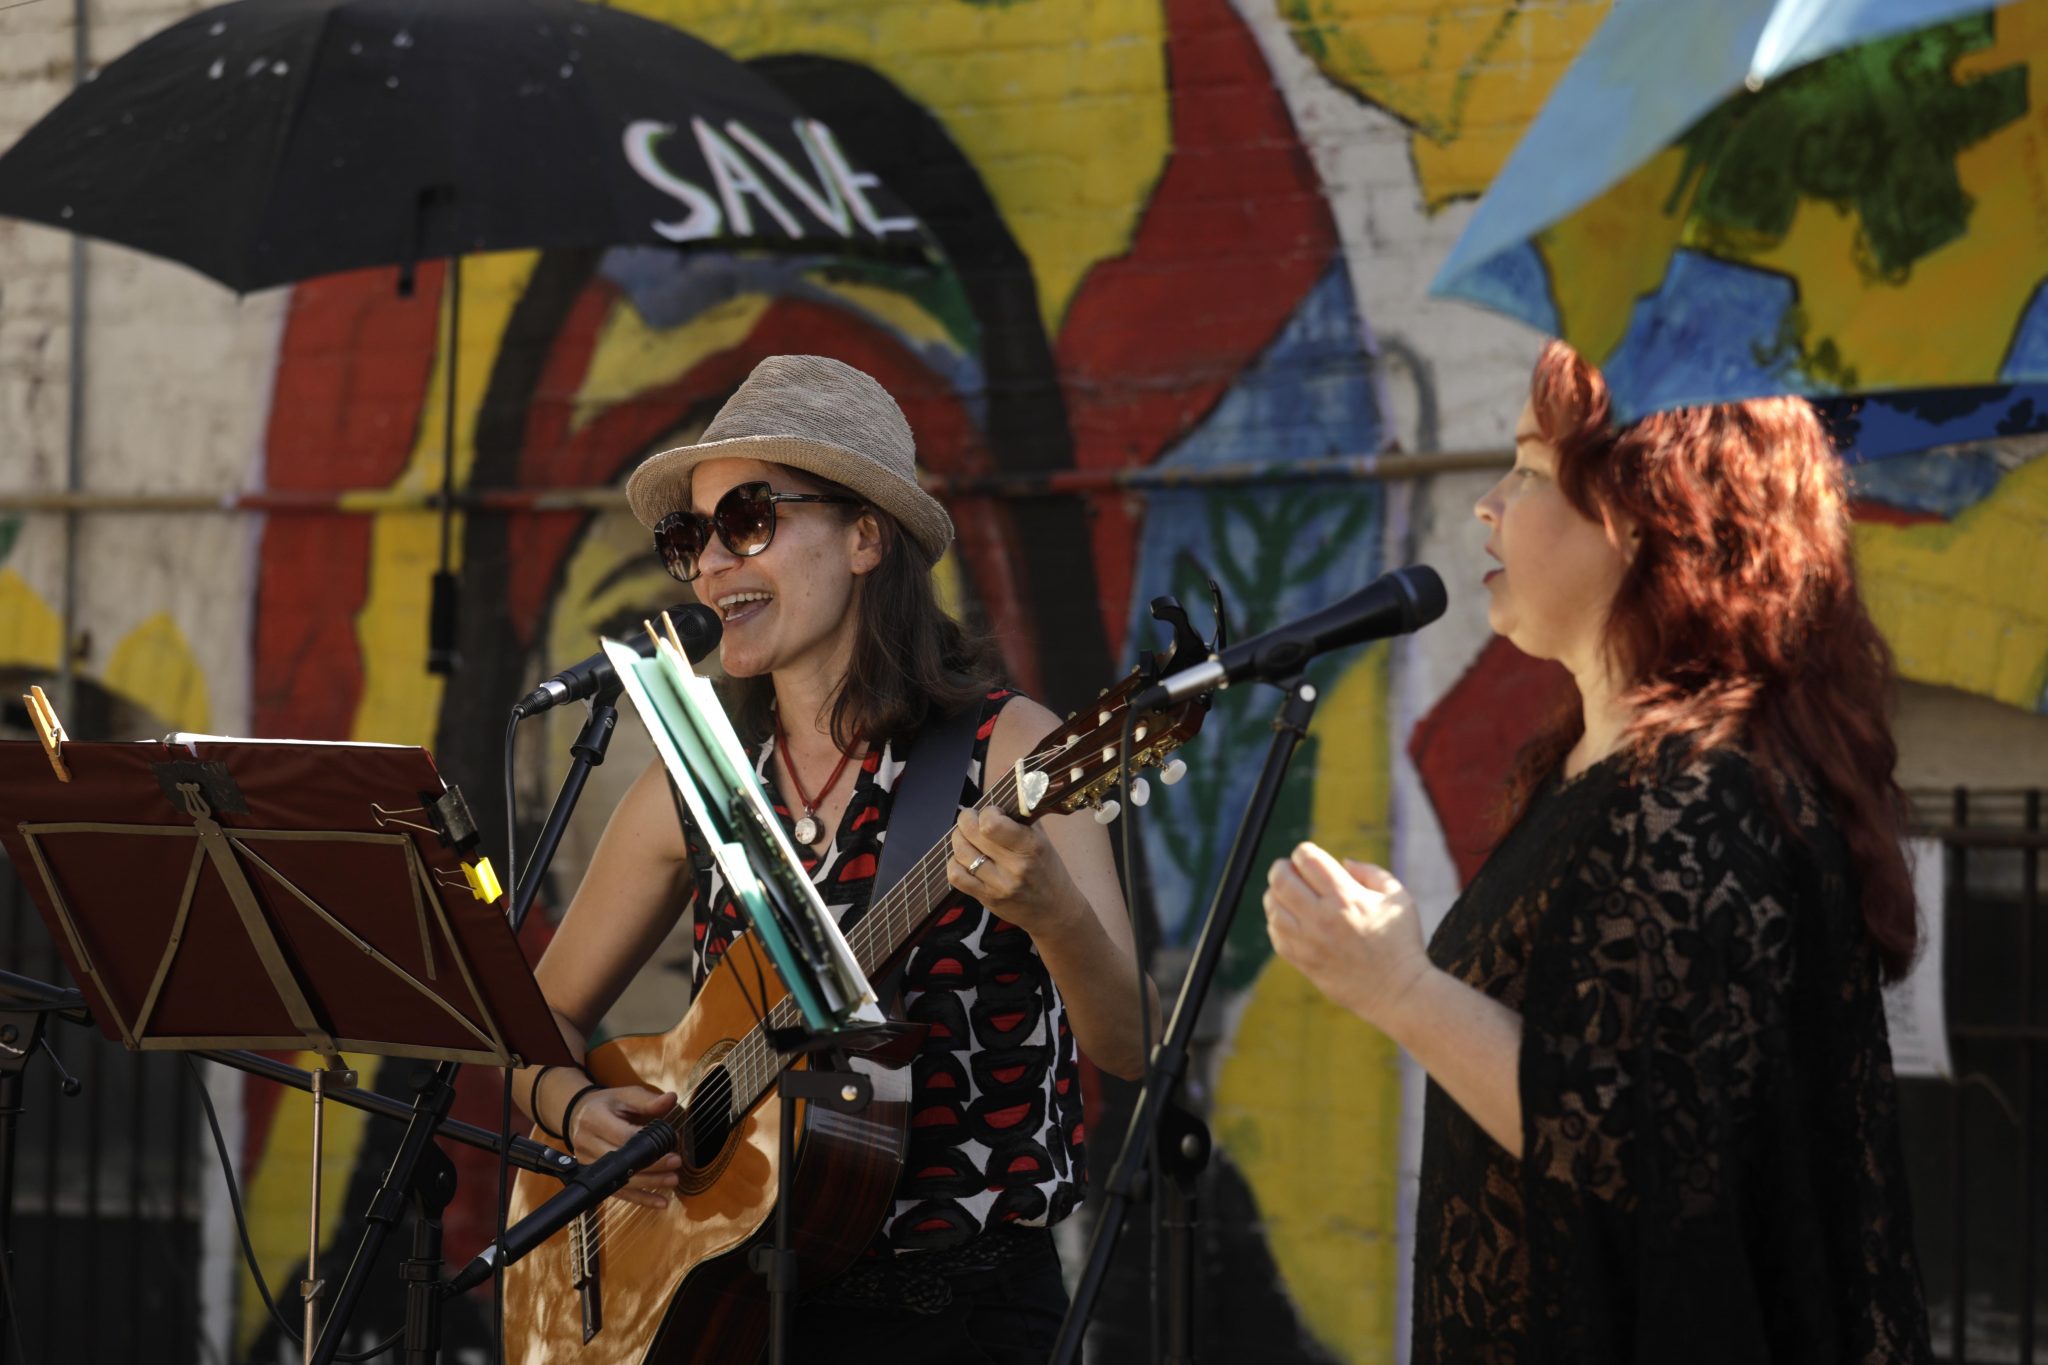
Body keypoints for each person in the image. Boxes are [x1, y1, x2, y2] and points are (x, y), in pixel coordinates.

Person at [1262, 341, 1935, 1363]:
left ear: (1647, 517)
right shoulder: (1599, 766)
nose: (1487, 503)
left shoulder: (1699, 798)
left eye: (1530, 470)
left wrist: (1399, 986)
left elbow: (1644, 1145)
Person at [511, 354, 1157, 1361]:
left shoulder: (1012, 749)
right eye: (690, 537)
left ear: (865, 537)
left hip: (961, 1318)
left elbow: (1135, 1044)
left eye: (747, 520)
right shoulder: (701, 783)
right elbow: (527, 1021)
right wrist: (576, 1105)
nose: (710, 562)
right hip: (734, 1308)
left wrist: (1055, 915)